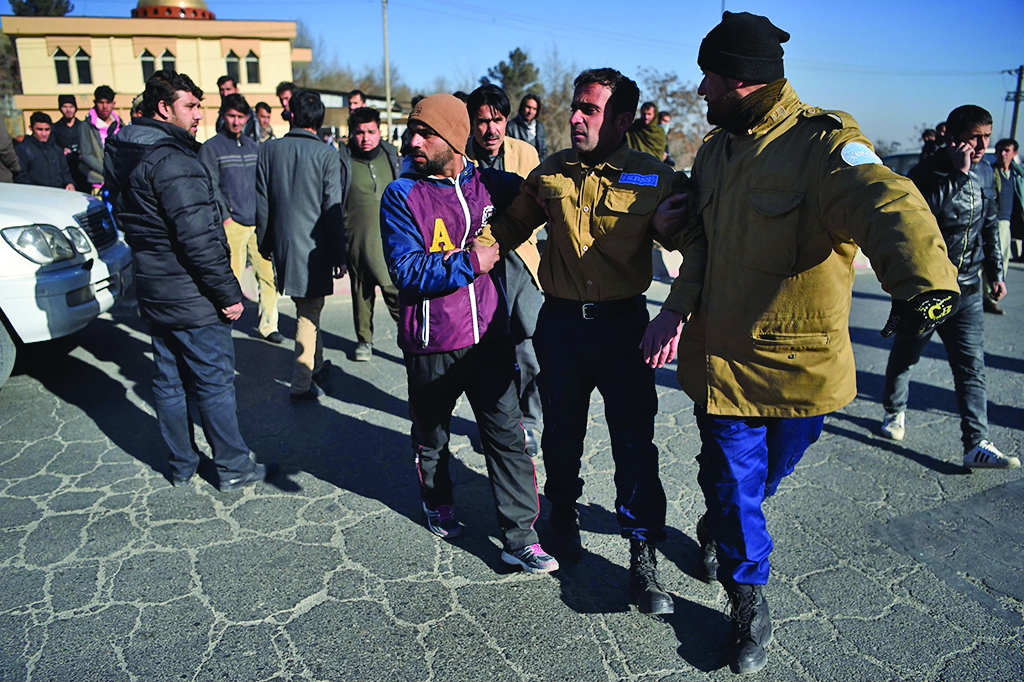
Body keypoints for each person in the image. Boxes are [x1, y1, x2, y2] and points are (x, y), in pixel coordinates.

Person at [640, 13, 962, 674]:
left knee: (763, 476)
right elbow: (697, 239)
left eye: (708, 76)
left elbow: (884, 198)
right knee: (734, 482)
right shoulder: (714, 152)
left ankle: (723, 523)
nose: (700, 89)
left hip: (799, 365)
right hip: (723, 360)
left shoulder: (823, 143)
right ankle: (748, 599)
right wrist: (670, 234)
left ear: (740, 79)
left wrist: (924, 282)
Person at [481, 68, 696, 614]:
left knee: (634, 443)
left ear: (622, 120)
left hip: (625, 328)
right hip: (561, 325)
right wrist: (460, 261)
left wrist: (674, 311)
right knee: (561, 434)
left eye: (590, 110)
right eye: (574, 106)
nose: (575, 117)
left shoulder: (655, 177)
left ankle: (643, 553)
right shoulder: (550, 172)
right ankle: (562, 515)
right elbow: (508, 229)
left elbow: (694, 247)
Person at [379, 93, 557, 575]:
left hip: (491, 338)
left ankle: (520, 538)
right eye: (412, 132)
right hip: (432, 342)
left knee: (508, 438)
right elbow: (405, 269)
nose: (413, 141)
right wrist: (469, 262)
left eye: (426, 133)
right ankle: (437, 501)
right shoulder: (401, 194)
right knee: (432, 437)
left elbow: (540, 190)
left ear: (455, 139)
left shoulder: (489, 184)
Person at [103, 70, 274, 492]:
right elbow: (199, 240)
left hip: (154, 287)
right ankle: (233, 466)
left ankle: (181, 464)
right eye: (191, 106)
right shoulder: (173, 160)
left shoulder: (127, 150)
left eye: (200, 106)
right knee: (214, 382)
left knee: (169, 380)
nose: (199, 114)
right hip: (191, 294)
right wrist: (229, 294)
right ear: (164, 108)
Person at [880, 105, 1016, 468]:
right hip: (928, 290)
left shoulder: (986, 172)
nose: (983, 145)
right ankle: (894, 411)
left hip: (968, 289)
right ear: (954, 139)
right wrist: (958, 173)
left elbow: (989, 226)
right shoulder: (925, 172)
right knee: (906, 356)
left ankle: (976, 442)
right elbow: (918, 219)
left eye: (987, 137)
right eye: (976, 137)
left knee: (971, 367)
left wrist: (996, 273)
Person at [464, 84, 544, 456]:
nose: (491, 129)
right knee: (487, 353)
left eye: (497, 120)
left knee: (530, 348)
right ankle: (495, 423)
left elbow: (539, 209)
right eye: (482, 121)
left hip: (522, 260)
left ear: (507, 120)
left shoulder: (526, 153)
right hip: (478, 265)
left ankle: (530, 421)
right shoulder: (459, 156)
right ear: (471, 123)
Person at [256, 89, 346, 403]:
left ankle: (316, 365)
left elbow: (263, 203)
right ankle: (301, 383)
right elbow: (332, 209)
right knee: (308, 314)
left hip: (283, 245)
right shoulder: (326, 154)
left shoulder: (269, 150)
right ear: (319, 119)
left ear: (291, 115)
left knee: (307, 307)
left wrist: (265, 243)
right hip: (314, 249)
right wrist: (340, 254)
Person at [199, 93, 282, 345]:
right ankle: (223, 327)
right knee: (229, 280)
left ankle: (269, 326)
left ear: (247, 118)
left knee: (268, 277)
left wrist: (266, 218)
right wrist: (225, 217)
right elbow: (210, 186)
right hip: (231, 224)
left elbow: (264, 185)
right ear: (223, 116)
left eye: (241, 117)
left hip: (257, 224)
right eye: (231, 116)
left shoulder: (254, 147)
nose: (236, 121)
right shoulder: (211, 148)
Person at [338, 106, 401, 362]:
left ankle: (412, 337)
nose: (366, 138)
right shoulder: (342, 162)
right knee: (361, 292)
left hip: (391, 240)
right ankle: (364, 339)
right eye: (360, 132)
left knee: (395, 290)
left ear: (380, 131)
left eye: (371, 132)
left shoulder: (392, 157)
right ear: (351, 133)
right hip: (356, 238)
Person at [986, 138, 1022, 313]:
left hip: (1007, 222)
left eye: (1007, 150)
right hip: (994, 221)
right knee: (993, 259)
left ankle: (994, 294)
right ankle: (987, 297)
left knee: (1004, 259)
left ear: (1014, 153)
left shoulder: (1016, 175)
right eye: (1000, 150)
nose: (1003, 154)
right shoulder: (990, 172)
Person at [80, 85, 123, 195]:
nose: (105, 106)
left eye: (108, 102)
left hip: (120, 181)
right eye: (101, 102)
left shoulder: (119, 124)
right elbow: (86, 154)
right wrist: (107, 171)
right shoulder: (87, 126)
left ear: (113, 103)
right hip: (99, 182)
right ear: (95, 102)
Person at [14, 112, 74, 190]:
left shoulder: (56, 149)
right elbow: (20, 176)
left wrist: (69, 183)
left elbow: (65, 172)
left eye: (47, 129)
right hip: (35, 193)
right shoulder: (22, 149)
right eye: (39, 129)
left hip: (58, 192)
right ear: (31, 128)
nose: (44, 133)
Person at [52, 94, 86, 191]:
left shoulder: (83, 126)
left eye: (71, 107)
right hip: (64, 169)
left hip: (82, 170)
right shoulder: (55, 128)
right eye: (65, 107)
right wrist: (61, 152)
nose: (68, 110)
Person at [505, 93, 547, 161]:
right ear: (522, 107)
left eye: (534, 109)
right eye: (528, 107)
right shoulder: (511, 127)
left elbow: (543, 151)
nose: (530, 111)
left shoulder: (540, 126)